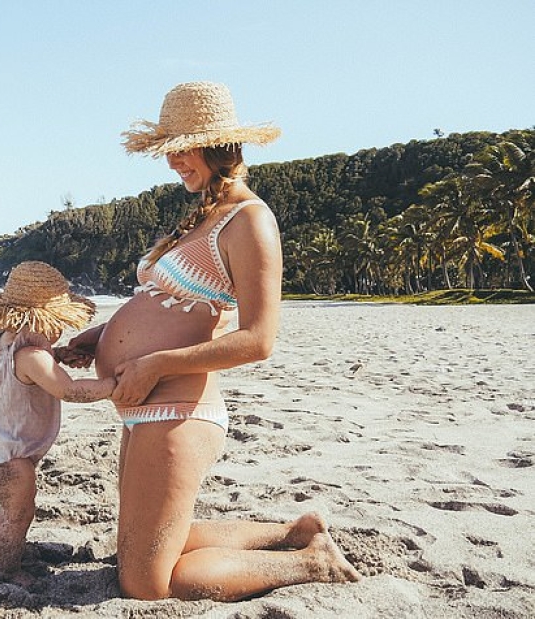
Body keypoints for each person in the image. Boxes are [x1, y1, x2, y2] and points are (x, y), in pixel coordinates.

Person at [59, 82, 362, 601]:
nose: (173, 161)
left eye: (183, 148)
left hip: (177, 409)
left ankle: (312, 562)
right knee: (142, 548)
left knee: (146, 583)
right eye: (169, 150)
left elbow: (258, 339)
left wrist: (154, 364)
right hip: (144, 405)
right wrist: (97, 338)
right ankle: (294, 533)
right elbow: (167, 305)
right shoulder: (203, 215)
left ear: (217, 145)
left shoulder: (250, 219)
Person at [0, 261, 116, 586]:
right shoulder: (31, 356)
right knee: (18, 511)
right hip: (5, 454)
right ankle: (7, 569)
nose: (60, 330)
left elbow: (29, 364)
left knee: (15, 507)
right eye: (58, 324)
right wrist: (114, 385)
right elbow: (70, 390)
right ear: (41, 321)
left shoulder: (9, 338)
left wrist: (57, 355)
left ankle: (7, 552)